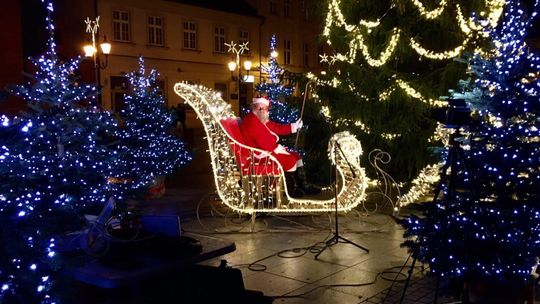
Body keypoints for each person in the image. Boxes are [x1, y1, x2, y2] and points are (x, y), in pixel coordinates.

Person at [240, 96, 320, 198]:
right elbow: (263, 140)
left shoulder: (259, 118)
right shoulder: (252, 121)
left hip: (265, 150)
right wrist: (276, 148)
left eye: (264, 108)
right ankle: (290, 190)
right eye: (260, 108)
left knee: (296, 156)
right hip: (259, 155)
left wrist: (294, 126)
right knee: (290, 160)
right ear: (254, 107)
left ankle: (303, 185)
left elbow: (276, 127)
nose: (262, 110)